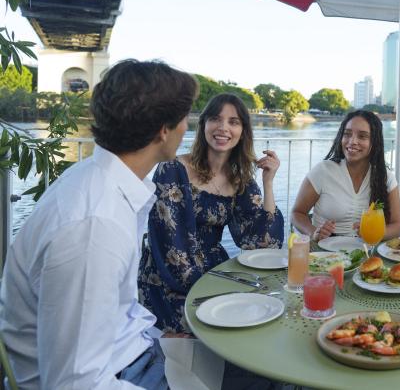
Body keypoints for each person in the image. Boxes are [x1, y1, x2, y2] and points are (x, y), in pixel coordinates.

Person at [0, 59, 198, 389]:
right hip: (117, 374)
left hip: (131, 350)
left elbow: (108, 310)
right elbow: (73, 383)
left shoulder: (96, 181)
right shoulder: (95, 227)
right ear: (163, 130)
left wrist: (155, 335)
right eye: (184, 119)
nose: (186, 129)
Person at [138, 93, 284, 334]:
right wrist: (219, 293)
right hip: (168, 279)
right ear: (203, 124)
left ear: (242, 131)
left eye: (233, 122)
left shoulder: (240, 179)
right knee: (221, 327)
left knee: (267, 311)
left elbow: (263, 243)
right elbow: (171, 248)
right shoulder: (173, 169)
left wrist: (268, 184)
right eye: (216, 119)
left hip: (213, 273)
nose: (223, 128)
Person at [291, 110, 400, 241]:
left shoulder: (386, 177)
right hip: (324, 254)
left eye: (362, 136)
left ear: (374, 142)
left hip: (367, 253)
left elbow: (397, 226)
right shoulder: (323, 171)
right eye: (347, 134)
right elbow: (297, 213)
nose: (352, 141)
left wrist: (373, 232)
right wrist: (314, 233)